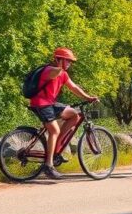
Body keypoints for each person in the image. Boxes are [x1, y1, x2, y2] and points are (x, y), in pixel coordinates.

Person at [27, 47, 98, 179]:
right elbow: (54, 74)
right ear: (59, 60)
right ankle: (48, 166)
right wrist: (59, 66)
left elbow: (74, 88)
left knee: (74, 115)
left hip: (50, 103)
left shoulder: (63, 74)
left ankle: (57, 148)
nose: (70, 63)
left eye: (71, 61)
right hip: (41, 103)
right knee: (54, 130)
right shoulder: (49, 70)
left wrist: (88, 97)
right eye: (68, 61)